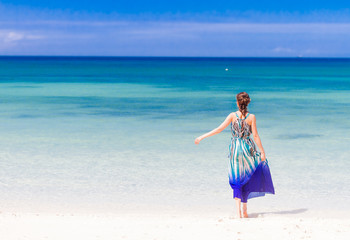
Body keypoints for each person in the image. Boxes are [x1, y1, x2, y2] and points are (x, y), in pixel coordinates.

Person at [194, 91, 275, 218]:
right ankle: (245, 211)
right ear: (247, 103)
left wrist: (202, 137)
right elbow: (255, 136)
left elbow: (219, 129)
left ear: (237, 103)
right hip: (248, 149)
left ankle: (238, 213)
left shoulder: (232, 116)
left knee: (237, 178)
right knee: (247, 177)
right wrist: (262, 152)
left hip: (236, 149)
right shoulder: (251, 117)